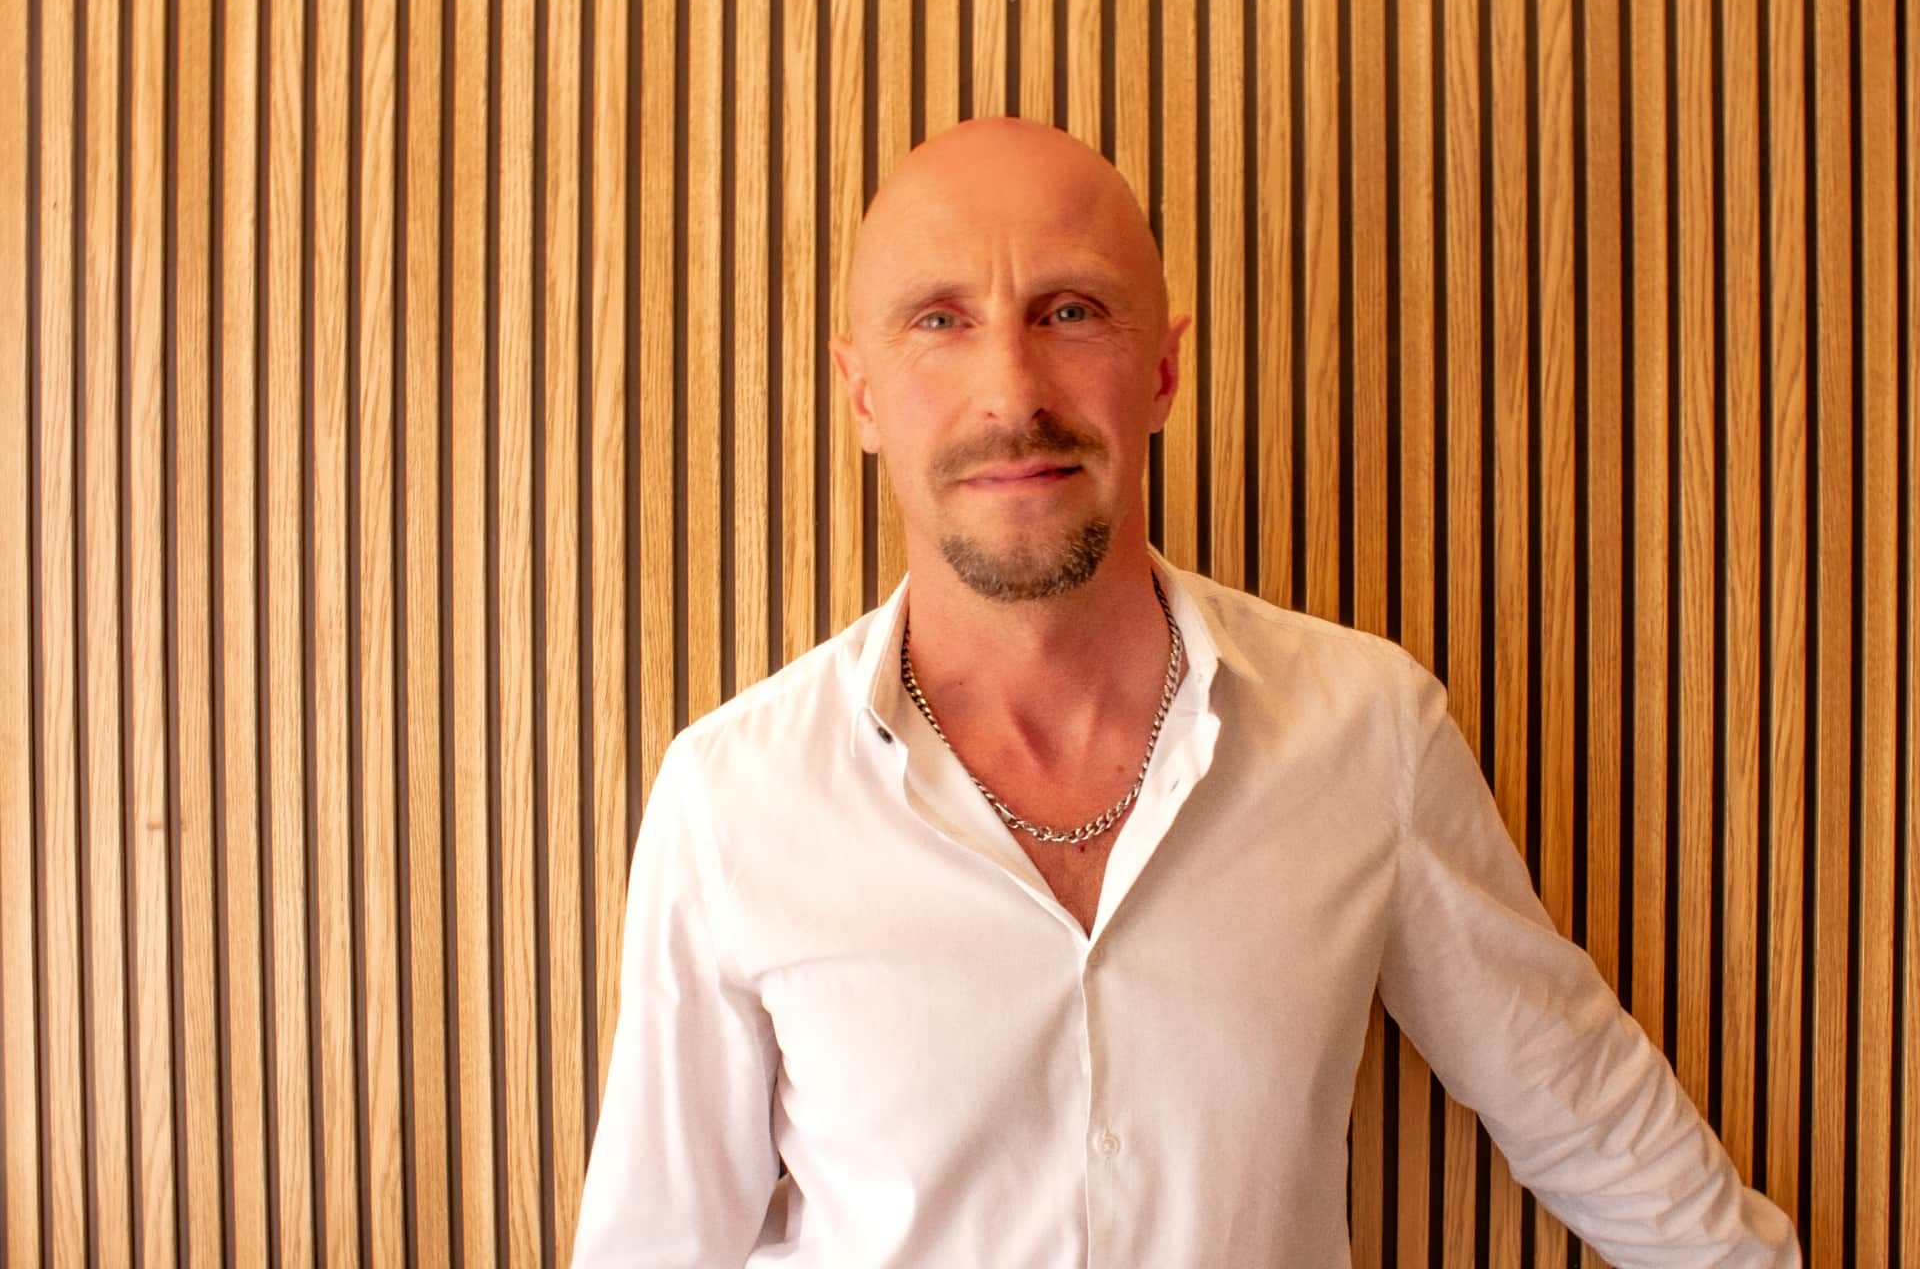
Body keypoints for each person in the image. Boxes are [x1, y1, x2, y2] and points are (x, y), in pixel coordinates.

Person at [573, 116, 1798, 1266]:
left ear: (1160, 370)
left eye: (1069, 311)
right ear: (862, 395)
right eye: (940, 320)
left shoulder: (1366, 730)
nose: (1012, 391)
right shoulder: (731, 800)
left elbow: (1582, 1102)